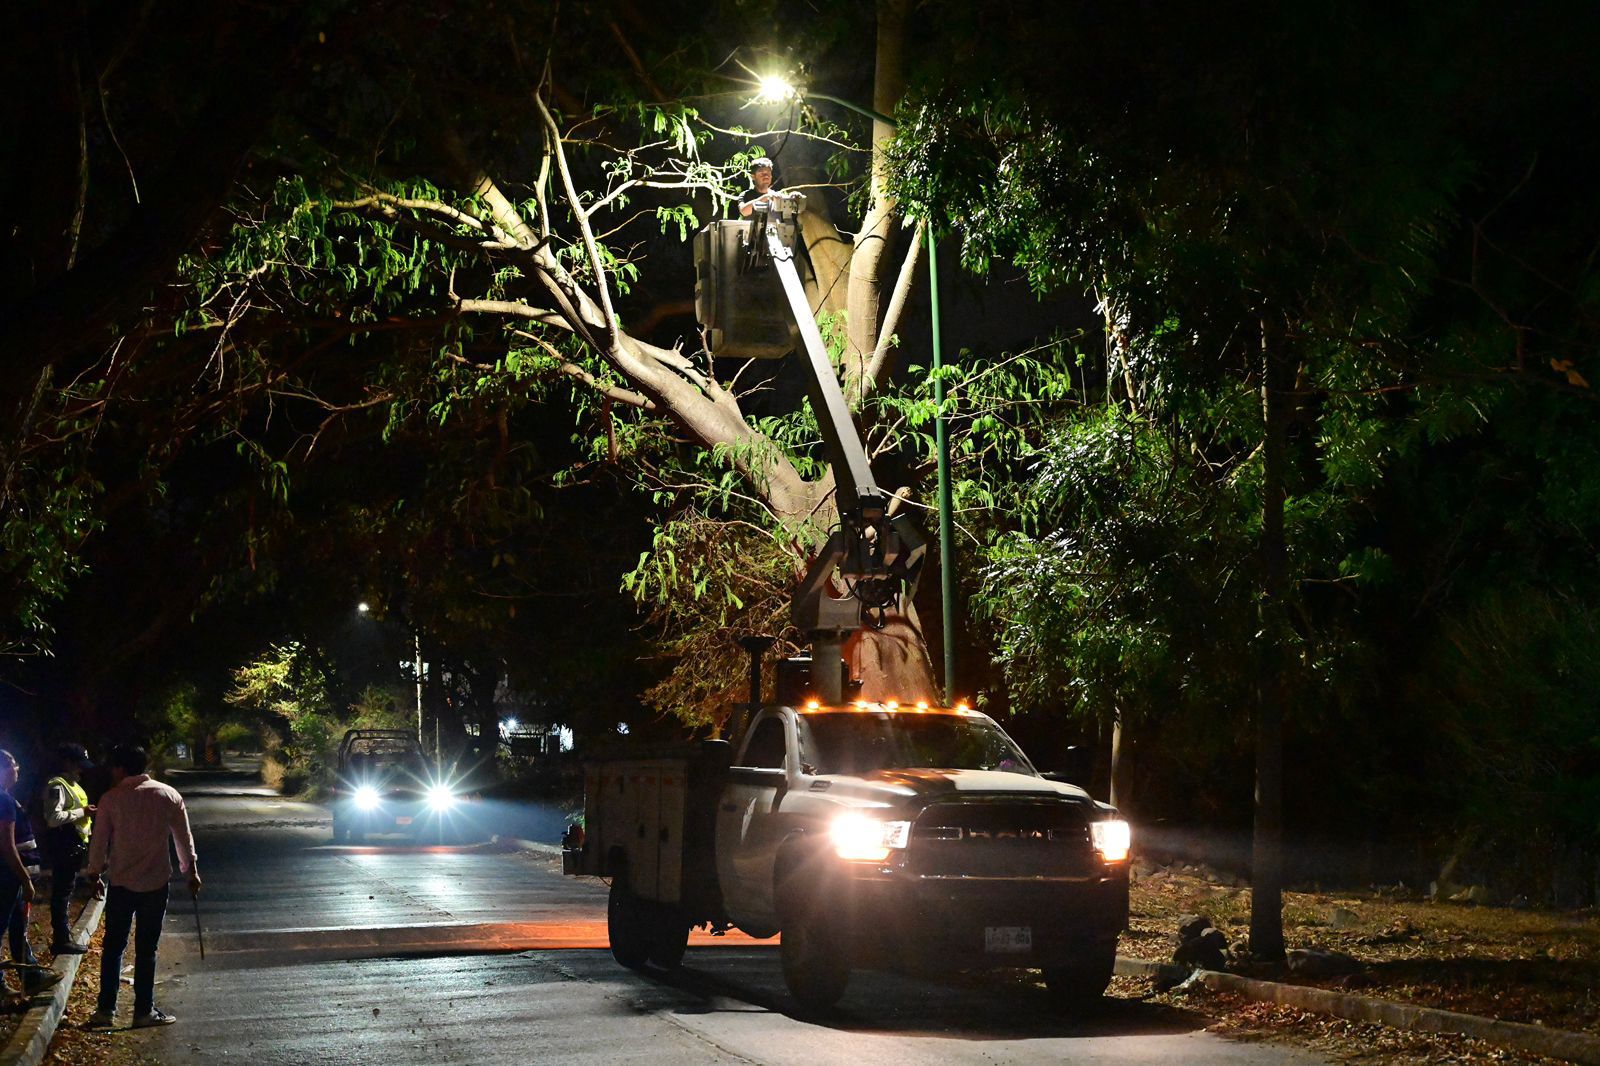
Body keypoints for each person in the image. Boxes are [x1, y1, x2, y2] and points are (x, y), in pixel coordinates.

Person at [86, 746, 201, 1029]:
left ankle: (105, 1011)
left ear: (120, 769)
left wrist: (94, 874)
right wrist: (191, 872)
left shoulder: (111, 799)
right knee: (147, 949)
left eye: (114, 767)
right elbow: (182, 838)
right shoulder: (168, 795)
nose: (112, 772)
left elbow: (99, 841)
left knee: (114, 946)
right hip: (156, 882)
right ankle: (143, 1011)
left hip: (122, 883)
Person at [0, 751, 61, 998]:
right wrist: (24, 878)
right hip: (7, 876)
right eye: (14, 764)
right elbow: (6, 844)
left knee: (17, 926)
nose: (18, 768)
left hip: (9, 876)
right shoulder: (3, 801)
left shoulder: (7, 799)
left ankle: (31, 976)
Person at [41, 743, 95, 954]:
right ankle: (61, 940)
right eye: (79, 764)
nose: (82, 768)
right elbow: (53, 819)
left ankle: (63, 937)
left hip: (73, 846)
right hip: (64, 846)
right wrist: (82, 812)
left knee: (66, 890)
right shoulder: (57, 786)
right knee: (62, 893)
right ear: (68, 762)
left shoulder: (74, 785)